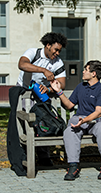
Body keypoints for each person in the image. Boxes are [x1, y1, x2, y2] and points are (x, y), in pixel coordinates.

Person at [50, 60, 101, 181]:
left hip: (95, 121)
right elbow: (69, 105)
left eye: (86, 70)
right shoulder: (80, 87)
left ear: (93, 73)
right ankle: (73, 166)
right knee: (69, 131)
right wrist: (59, 91)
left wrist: (84, 121)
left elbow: (98, 112)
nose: (83, 72)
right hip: (80, 120)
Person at [17, 32, 68, 166]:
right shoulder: (33, 53)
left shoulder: (58, 63)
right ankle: (25, 156)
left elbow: (62, 83)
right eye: (55, 50)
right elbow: (22, 64)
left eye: (59, 51)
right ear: (48, 45)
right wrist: (43, 70)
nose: (57, 53)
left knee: (44, 125)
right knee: (25, 125)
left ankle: (44, 157)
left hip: (42, 96)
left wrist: (49, 89)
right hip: (24, 94)